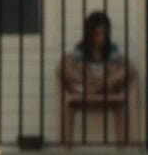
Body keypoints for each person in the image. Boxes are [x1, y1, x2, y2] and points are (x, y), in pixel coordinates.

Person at [59, 11, 137, 146]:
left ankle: (96, 88)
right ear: (90, 34)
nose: (102, 37)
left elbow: (124, 70)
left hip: (107, 86)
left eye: (104, 33)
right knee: (64, 67)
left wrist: (105, 80)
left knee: (127, 69)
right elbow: (70, 69)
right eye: (97, 34)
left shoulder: (112, 50)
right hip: (86, 84)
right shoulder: (81, 49)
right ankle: (66, 146)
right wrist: (87, 78)